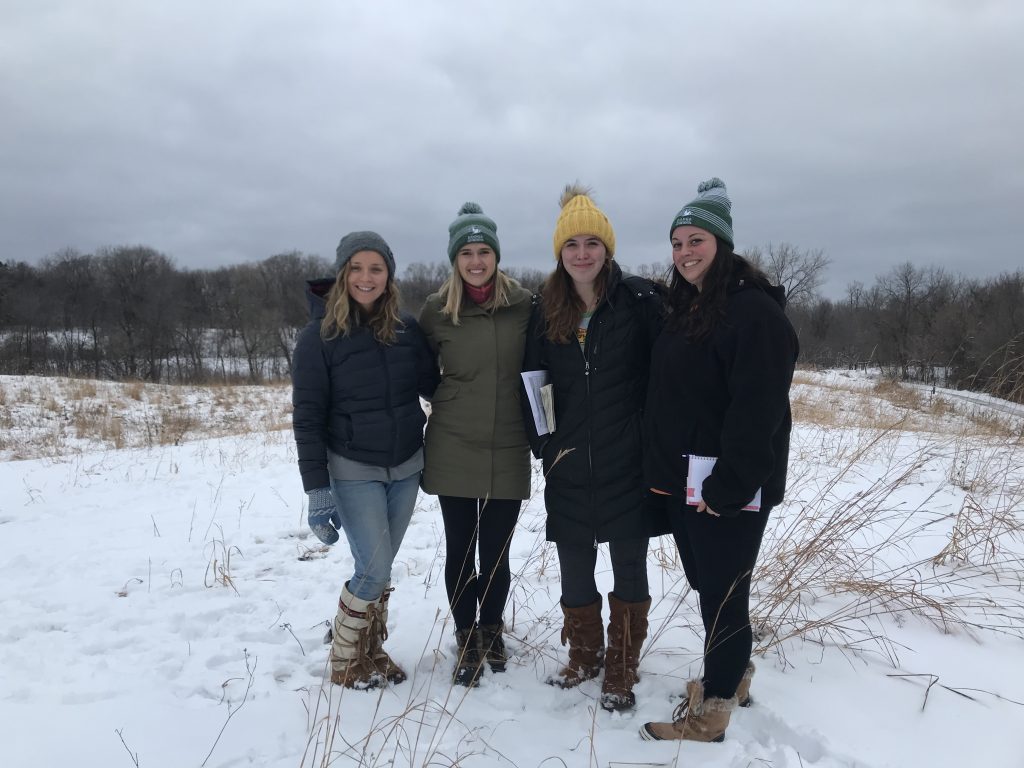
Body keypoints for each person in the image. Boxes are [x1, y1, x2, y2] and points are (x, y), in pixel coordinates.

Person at [639, 179, 799, 742]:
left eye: (696, 240)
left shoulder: (753, 315)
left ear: (722, 244)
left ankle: (711, 714)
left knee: (725, 595)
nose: (684, 252)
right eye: (678, 242)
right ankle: (729, 677)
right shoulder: (691, 308)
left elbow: (759, 413)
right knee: (714, 589)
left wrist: (725, 489)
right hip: (690, 483)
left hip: (726, 489)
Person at [522, 184, 665, 712]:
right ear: (560, 253)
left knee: (629, 563)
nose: (582, 254)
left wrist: (649, 439)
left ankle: (622, 664)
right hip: (568, 463)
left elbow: (663, 376)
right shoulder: (545, 307)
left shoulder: (640, 302)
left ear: (608, 249)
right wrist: (545, 444)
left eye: (592, 244)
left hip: (627, 460)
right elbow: (533, 382)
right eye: (572, 245)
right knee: (575, 566)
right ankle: (584, 653)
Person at [292, 231, 439, 690]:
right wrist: (317, 489)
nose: (366, 277)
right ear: (342, 274)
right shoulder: (318, 338)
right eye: (356, 268)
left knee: (380, 569)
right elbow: (308, 417)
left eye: (376, 268)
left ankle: (371, 651)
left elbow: (433, 386)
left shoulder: (407, 330)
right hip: (354, 467)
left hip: (406, 466)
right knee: (373, 569)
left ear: (389, 276)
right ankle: (343, 659)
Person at [419, 203, 534, 687]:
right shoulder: (435, 310)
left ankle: (491, 628)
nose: (476, 261)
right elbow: (422, 374)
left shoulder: (525, 304)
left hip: (509, 442)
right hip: (454, 443)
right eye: (466, 253)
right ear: (455, 259)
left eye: (483, 251)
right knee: (461, 550)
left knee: (497, 551)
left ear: (496, 255)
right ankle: (466, 634)